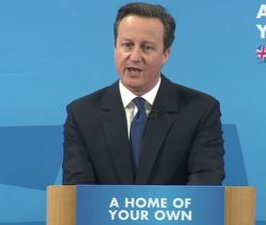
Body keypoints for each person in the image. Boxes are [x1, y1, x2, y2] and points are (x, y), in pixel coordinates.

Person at [62, 2, 225, 185]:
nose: (135, 56)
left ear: (165, 54)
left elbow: (205, 183)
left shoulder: (200, 110)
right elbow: (77, 192)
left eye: (147, 47)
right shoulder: (82, 114)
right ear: (115, 47)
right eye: (127, 45)